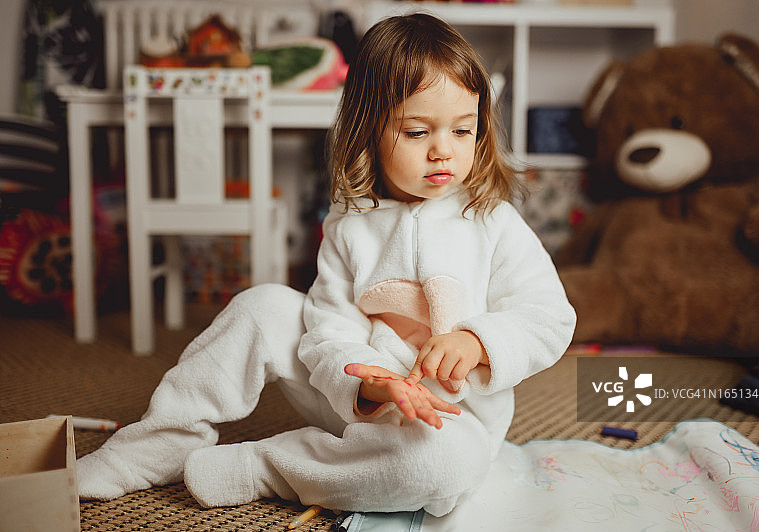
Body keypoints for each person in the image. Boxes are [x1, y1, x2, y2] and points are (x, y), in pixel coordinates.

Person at [77, 13, 576, 517]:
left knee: (441, 470)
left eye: (463, 130)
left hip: (449, 420)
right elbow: (327, 329)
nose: (443, 149)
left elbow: (549, 317)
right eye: (417, 131)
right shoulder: (351, 222)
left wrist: (478, 341)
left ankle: (265, 466)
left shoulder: (494, 221)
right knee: (263, 305)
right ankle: (157, 442)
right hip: (353, 395)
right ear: (371, 131)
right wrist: (366, 384)